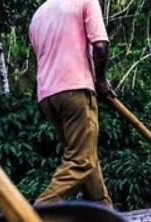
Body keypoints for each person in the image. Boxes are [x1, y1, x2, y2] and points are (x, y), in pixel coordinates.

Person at [29, 0, 116, 207]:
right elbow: (100, 46)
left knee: (86, 155)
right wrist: (101, 81)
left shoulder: (38, 15)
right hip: (75, 89)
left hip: (48, 97)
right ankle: (40, 209)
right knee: (81, 160)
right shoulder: (85, 1)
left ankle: (105, 214)